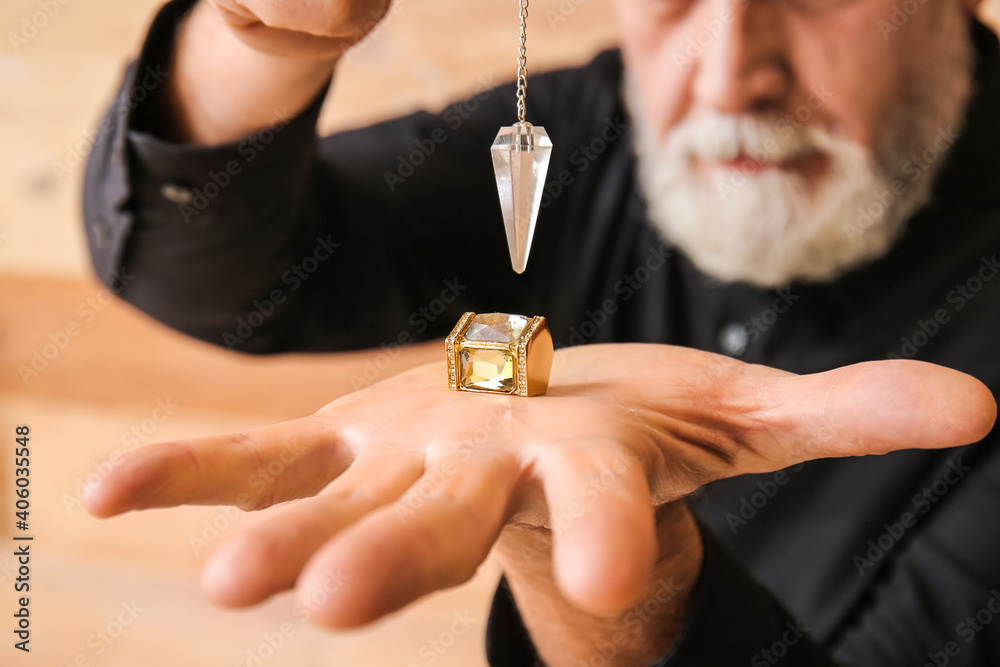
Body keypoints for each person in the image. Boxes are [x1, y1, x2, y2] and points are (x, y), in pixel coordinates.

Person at [81, 0, 1000, 665]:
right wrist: (266, 36)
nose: (729, 75)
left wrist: (617, 590)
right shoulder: (581, 131)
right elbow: (208, 269)